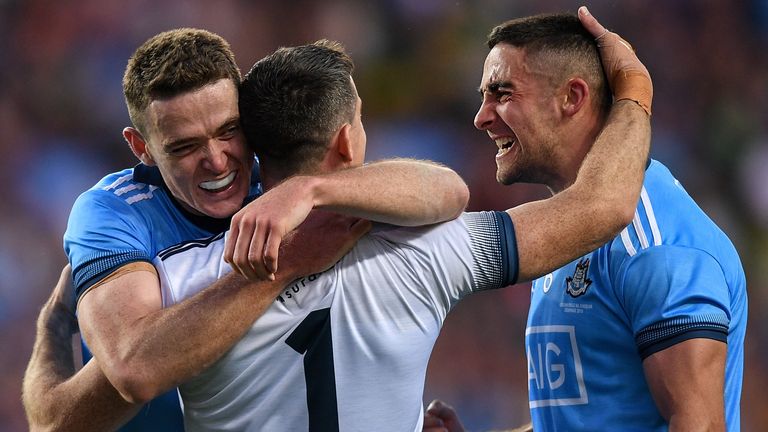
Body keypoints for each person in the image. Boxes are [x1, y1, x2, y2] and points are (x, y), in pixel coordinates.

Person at [21, 27, 470, 432]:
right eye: (185, 147)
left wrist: (390, 418)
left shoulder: (279, 177)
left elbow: (449, 192)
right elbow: (129, 373)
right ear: (142, 148)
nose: (217, 161)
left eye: (228, 131)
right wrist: (54, 322)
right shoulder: (113, 213)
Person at [424, 7, 747, 432]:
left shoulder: (655, 246)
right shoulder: (567, 233)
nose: (481, 117)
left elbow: (699, 425)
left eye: (502, 94)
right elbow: (589, 416)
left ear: (572, 97)